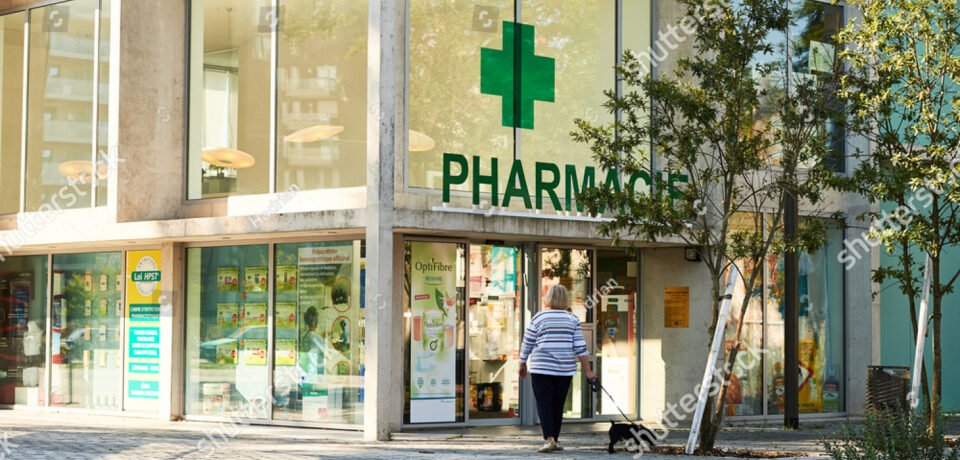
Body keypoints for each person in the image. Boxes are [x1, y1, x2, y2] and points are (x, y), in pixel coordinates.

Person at [519, 285, 596, 453]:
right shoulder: (572, 319)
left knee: (544, 402)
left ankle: (549, 439)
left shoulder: (538, 318)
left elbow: (528, 343)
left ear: (547, 298)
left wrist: (522, 363)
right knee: (557, 404)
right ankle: (555, 439)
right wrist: (588, 370)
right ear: (564, 299)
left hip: (541, 368)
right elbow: (581, 347)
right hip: (564, 369)